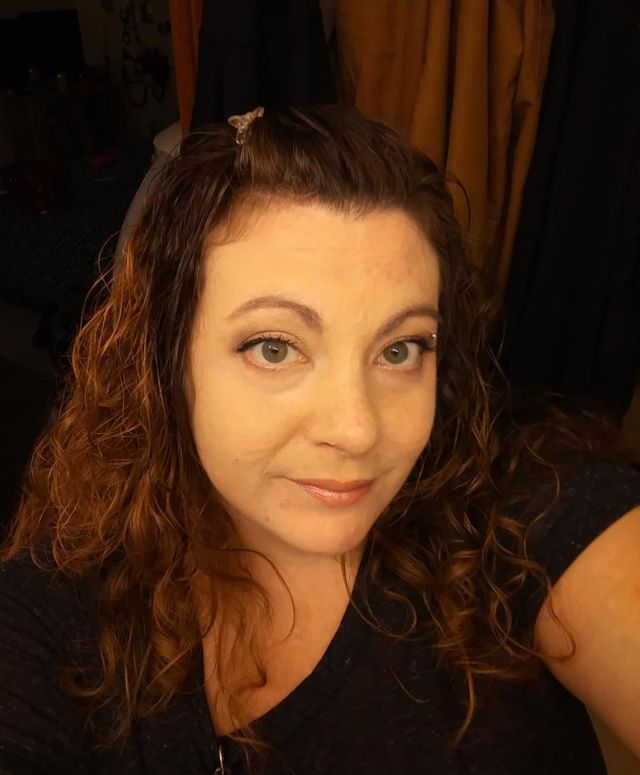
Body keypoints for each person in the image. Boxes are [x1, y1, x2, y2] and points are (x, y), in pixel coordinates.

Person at [1, 104, 639, 775]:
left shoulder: (523, 508)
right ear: (165, 361)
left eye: (400, 349)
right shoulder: (57, 612)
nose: (357, 430)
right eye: (275, 347)